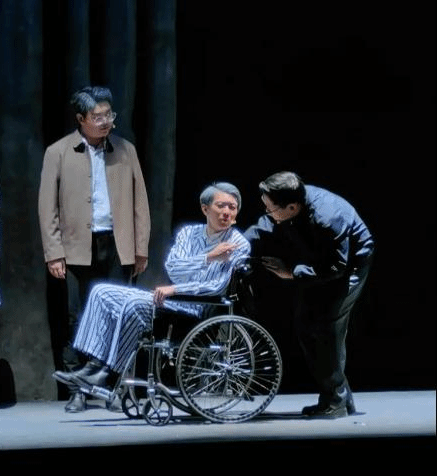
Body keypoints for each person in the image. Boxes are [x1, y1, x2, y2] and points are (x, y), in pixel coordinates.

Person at [52, 182, 250, 394]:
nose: (227, 212)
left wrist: (175, 289)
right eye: (221, 205)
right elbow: (173, 268)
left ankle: (108, 373)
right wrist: (208, 258)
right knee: (101, 292)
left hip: (198, 308)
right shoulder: (188, 233)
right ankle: (92, 366)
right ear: (205, 208)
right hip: (173, 300)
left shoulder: (238, 244)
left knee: (134, 304)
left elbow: (217, 286)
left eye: (232, 207)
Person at [38, 86, 151, 412]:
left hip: (117, 245)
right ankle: (78, 390)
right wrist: (54, 252)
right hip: (76, 247)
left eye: (108, 115)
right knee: (78, 317)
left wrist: (140, 248)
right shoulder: (58, 152)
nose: (105, 122)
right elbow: (47, 207)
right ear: (81, 119)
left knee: (119, 316)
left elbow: (140, 202)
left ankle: (115, 388)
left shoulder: (125, 150)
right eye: (97, 117)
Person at [244, 171, 374, 418]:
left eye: (271, 208)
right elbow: (266, 225)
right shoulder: (291, 202)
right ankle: (339, 397)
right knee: (306, 323)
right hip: (321, 261)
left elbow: (336, 266)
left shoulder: (328, 217)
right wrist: (239, 244)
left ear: (292, 207)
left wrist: (292, 273)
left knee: (327, 328)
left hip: (349, 265)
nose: (267, 212)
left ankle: (335, 402)